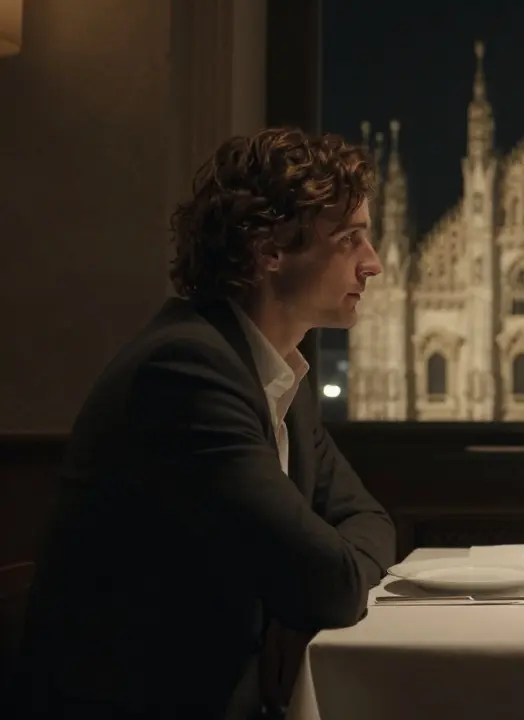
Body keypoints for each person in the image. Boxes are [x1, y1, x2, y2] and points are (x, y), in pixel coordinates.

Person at [10, 128, 396, 719]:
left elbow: (369, 520)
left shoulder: (277, 370)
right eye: (349, 239)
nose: (373, 264)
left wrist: (317, 592)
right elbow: (334, 584)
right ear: (270, 250)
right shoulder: (186, 373)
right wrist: (313, 596)